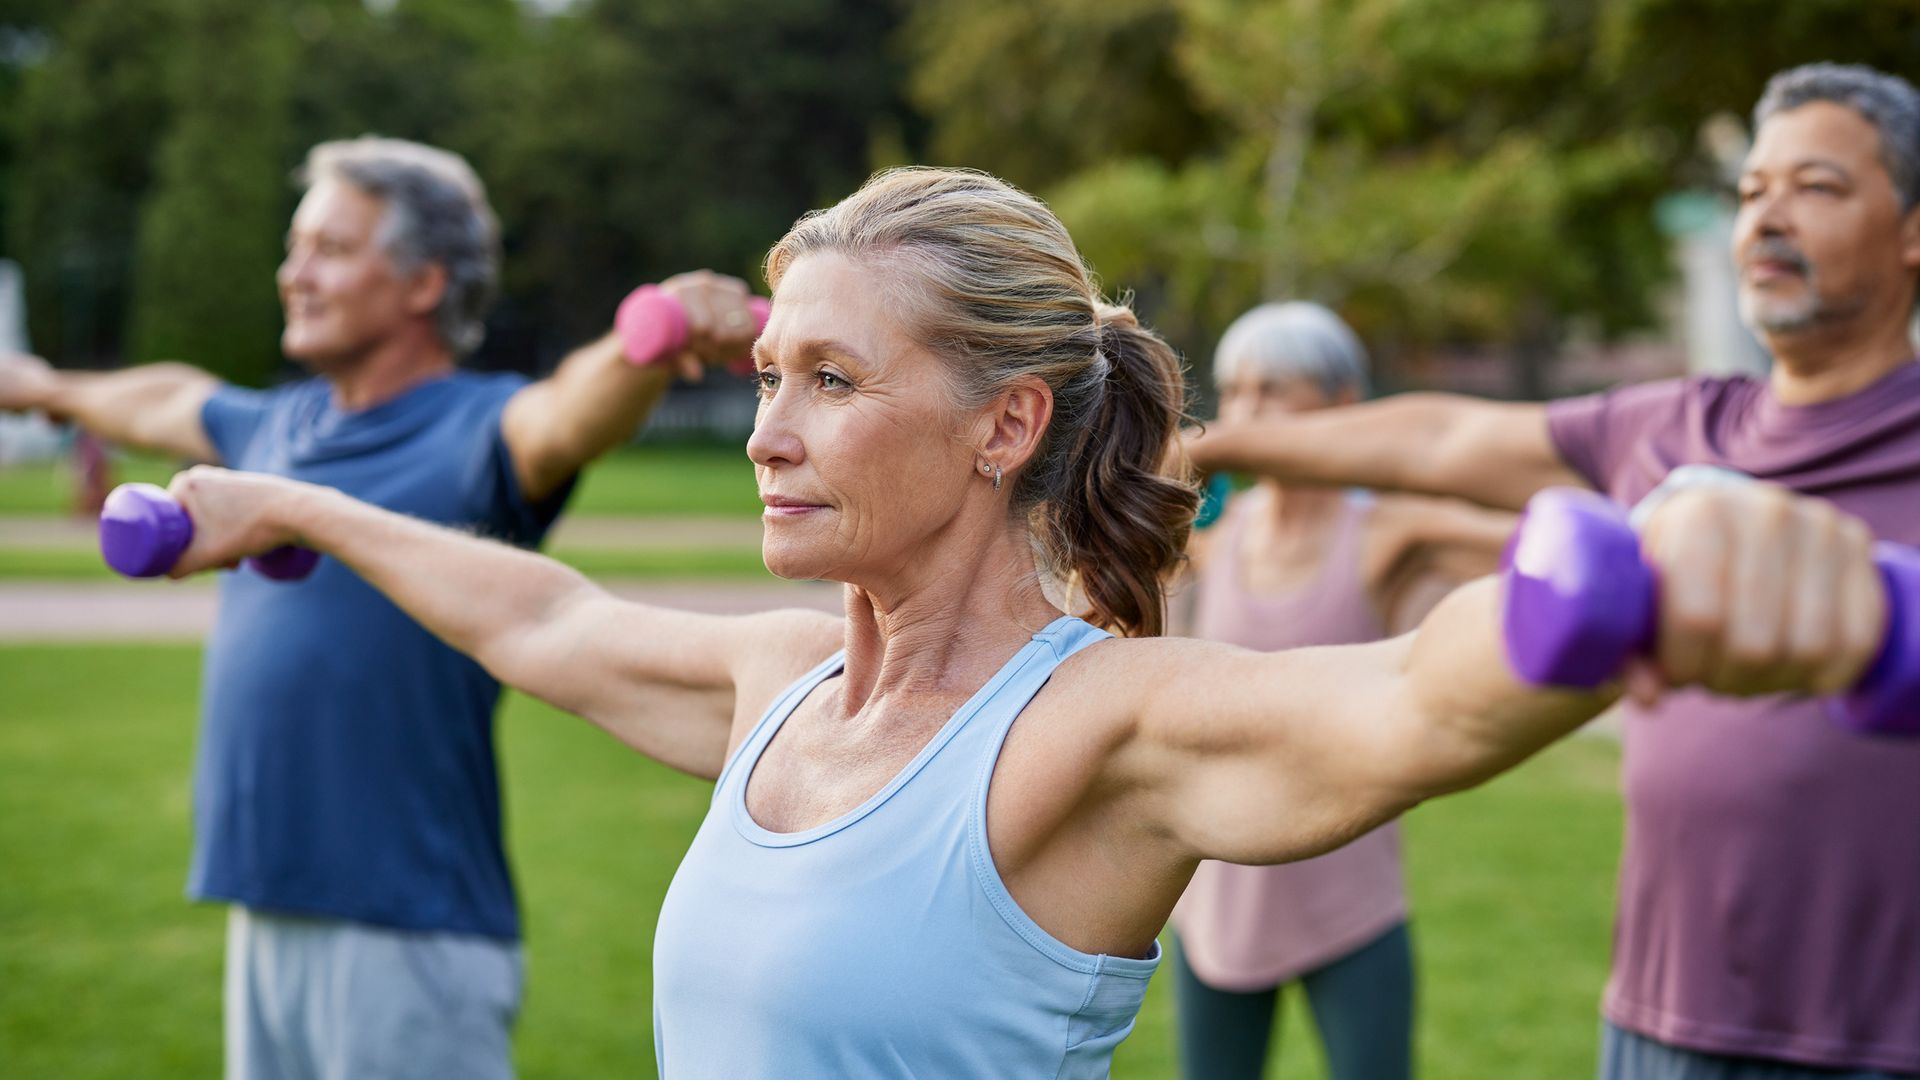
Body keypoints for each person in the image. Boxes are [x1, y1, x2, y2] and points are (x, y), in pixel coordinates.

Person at [153, 166, 1886, 1079]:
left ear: (1005, 426)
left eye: (832, 382)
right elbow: (543, 615)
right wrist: (295, 506)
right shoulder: (782, 685)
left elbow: (1414, 703)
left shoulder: (1101, 731)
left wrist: (1655, 563)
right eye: (767, 377)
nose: (766, 435)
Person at [1184, 63, 1920, 1079]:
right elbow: (1440, 438)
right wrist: (1212, 447)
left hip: (1886, 1038)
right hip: (1661, 1025)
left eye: (1817, 186)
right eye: (1753, 190)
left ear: (1912, 230)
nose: (1768, 217)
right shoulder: (1672, 430)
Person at [0, 137, 759, 1079]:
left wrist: (654, 334)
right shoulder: (275, 428)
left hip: (408, 928)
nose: (294, 274)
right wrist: (44, 387)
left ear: (423, 283)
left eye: (330, 248)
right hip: (266, 904)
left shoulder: (477, 428)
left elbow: (567, 412)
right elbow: (169, 398)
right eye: (295, 248)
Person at [1171, 301, 1513, 1080]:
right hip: (1220, 899)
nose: (1245, 414)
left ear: (1343, 407)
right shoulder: (1214, 537)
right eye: (1236, 390)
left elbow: (1548, 545)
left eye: (1272, 391)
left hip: (1351, 894)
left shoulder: (1392, 530)